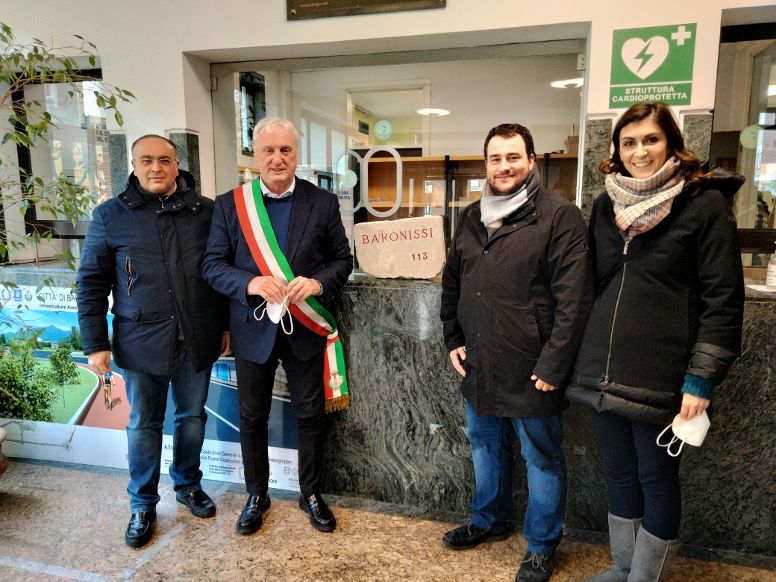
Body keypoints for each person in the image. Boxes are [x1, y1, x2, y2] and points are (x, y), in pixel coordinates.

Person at [566, 102, 744, 582]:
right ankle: (623, 568)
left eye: (651, 140)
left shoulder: (704, 204)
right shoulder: (605, 206)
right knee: (619, 475)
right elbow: (591, 286)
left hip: (665, 376)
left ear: (671, 144)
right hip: (602, 372)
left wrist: (701, 379)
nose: (639, 152)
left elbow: (723, 301)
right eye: (629, 142)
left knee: (656, 479)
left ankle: (644, 577)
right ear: (616, 150)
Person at [440, 123, 593, 582]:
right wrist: (452, 337)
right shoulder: (472, 216)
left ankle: (542, 545)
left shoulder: (559, 216)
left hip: (533, 367)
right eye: (495, 158)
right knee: (484, 444)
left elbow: (574, 301)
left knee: (541, 456)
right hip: (479, 361)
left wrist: (554, 364)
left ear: (531, 160)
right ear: (485, 164)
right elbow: (453, 282)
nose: (504, 166)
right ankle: (488, 519)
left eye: (513, 157)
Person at [202, 117, 352, 536]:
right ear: (255, 155)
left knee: (310, 415)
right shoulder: (231, 204)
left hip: (305, 327)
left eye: (285, 149)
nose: (277, 158)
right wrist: (250, 283)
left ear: (296, 154)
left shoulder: (322, 202)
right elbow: (212, 265)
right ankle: (257, 495)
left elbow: (343, 260)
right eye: (268, 150)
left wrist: (317, 283)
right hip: (253, 329)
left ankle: (311, 493)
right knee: (252, 416)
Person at [77, 135, 228, 548]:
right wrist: (95, 343)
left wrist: (225, 327)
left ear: (177, 164)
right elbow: (90, 284)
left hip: (196, 336)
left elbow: (219, 274)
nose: (156, 168)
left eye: (164, 160)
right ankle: (142, 503)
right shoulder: (110, 216)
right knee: (144, 423)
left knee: (192, 417)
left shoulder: (205, 212)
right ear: (134, 165)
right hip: (141, 339)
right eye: (147, 160)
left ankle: (188, 485)